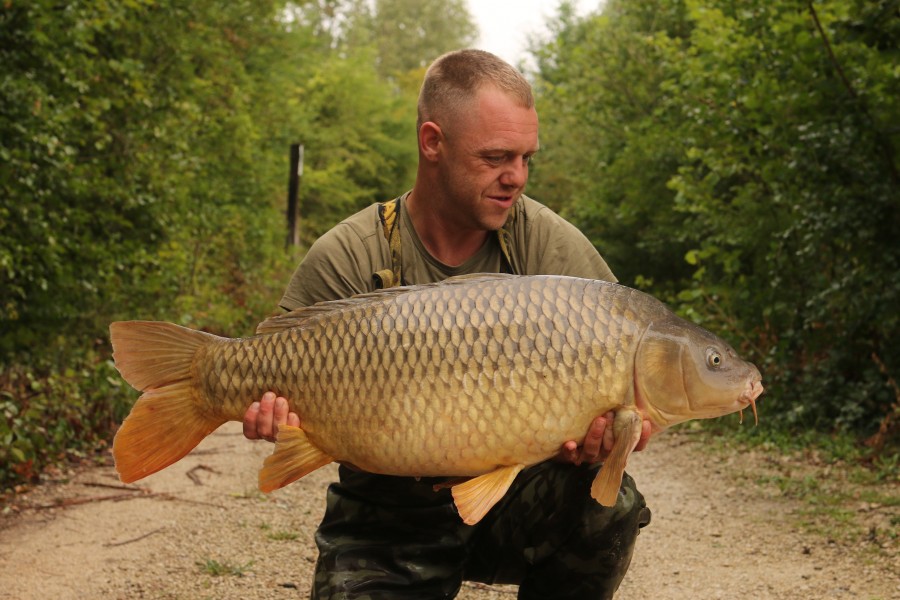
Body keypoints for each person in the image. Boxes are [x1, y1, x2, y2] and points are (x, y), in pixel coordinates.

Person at [243, 49, 652, 599]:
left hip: (515, 504)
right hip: (386, 516)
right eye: (497, 157)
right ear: (432, 142)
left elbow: (627, 351)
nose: (517, 178)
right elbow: (273, 361)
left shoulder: (547, 243)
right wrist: (268, 413)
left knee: (610, 504)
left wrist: (612, 436)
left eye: (527, 158)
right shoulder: (352, 251)